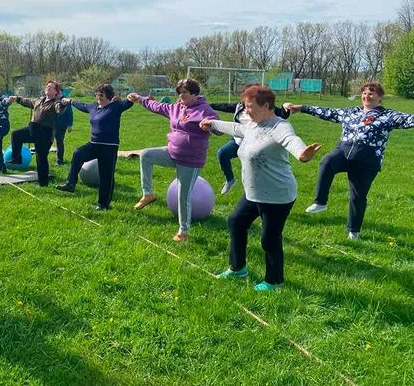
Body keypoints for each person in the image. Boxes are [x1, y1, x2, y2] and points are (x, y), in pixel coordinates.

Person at [200, 85, 320, 291]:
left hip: (277, 195)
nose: (246, 111)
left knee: (269, 238)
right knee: (236, 222)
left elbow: (291, 140)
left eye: (249, 106)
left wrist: (302, 152)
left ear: (266, 105)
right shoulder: (251, 125)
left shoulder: (279, 127)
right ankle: (238, 269)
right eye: (245, 107)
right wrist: (211, 123)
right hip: (254, 193)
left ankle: (275, 281)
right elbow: (235, 128)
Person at [284, 82, 414, 239]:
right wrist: (301, 108)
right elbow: (327, 112)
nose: (366, 96)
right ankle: (321, 202)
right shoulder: (350, 112)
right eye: (364, 93)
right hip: (343, 153)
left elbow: (409, 119)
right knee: (327, 161)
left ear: (380, 97)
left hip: (367, 161)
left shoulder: (389, 116)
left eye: (371, 93)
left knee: (357, 196)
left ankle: (353, 231)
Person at [126, 79, 219, 242]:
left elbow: (217, 126)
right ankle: (147, 194)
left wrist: (211, 125)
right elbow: (157, 107)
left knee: (183, 196)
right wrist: (140, 99)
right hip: (172, 152)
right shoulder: (176, 108)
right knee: (146, 154)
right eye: (179, 92)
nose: (181, 96)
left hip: (190, 160)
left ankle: (184, 232)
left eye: (185, 92)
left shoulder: (204, 110)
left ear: (194, 94)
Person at [55, 84, 133, 210]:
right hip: (94, 144)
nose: (98, 97)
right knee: (78, 153)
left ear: (108, 96)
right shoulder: (93, 106)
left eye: (101, 95)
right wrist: (70, 101)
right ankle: (70, 184)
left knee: (106, 176)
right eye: (97, 94)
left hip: (109, 147)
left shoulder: (115, 107)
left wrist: (131, 98)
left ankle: (103, 204)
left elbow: (128, 103)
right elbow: (82, 106)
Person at [210, 86, 291, 195]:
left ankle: (259, 187)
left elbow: (282, 113)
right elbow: (225, 106)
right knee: (222, 153)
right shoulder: (239, 106)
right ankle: (230, 180)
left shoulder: (262, 106)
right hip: (240, 140)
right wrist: (210, 105)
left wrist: (286, 107)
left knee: (253, 164)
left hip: (258, 140)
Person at [8, 80, 65, 186]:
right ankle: (16, 159)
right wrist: (17, 99)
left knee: (41, 157)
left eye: (51, 87)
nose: (48, 88)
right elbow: (28, 102)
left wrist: (62, 105)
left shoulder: (55, 102)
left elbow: (59, 109)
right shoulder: (39, 100)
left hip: (45, 133)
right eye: (47, 86)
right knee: (16, 135)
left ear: (56, 92)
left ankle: (43, 182)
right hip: (33, 129)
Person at [54, 101, 74, 165]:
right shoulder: (51, 98)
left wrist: (70, 125)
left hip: (61, 125)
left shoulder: (65, 100)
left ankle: (59, 160)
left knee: (59, 142)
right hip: (50, 124)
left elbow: (70, 113)